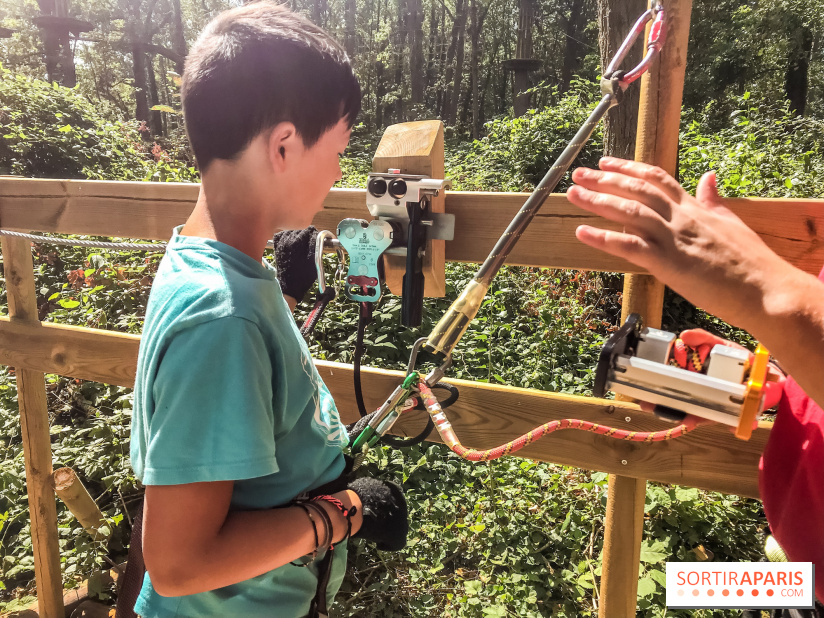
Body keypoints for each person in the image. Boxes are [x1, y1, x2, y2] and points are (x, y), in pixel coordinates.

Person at [129, 4, 407, 617]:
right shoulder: (221, 320)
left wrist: (285, 294)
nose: (339, 172)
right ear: (283, 146)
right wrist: (346, 511)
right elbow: (178, 566)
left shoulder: (214, 269)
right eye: (338, 150)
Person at [567, 157, 824, 604]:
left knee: (678, 588)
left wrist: (767, 287)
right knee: (689, 588)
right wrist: (779, 379)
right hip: (792, 568)